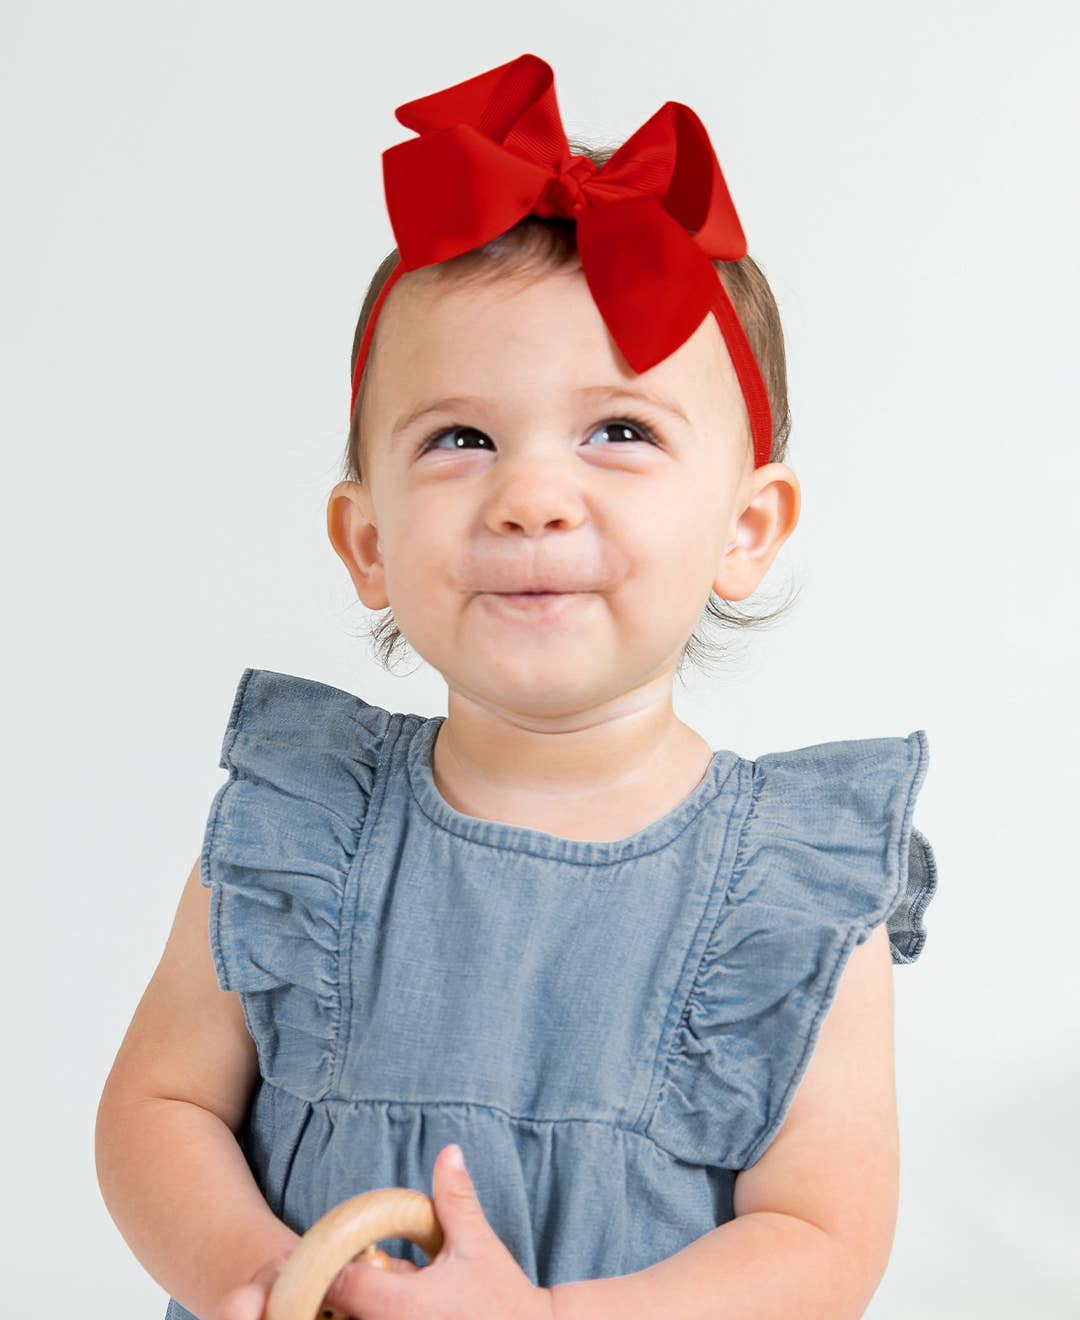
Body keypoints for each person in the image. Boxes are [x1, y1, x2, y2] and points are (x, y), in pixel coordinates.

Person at [95, 53, 939, 1320]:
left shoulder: (799, 889)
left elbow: (821, 1246)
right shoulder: (299, 828)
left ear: (747, 529)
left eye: (621, 432)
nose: (533, 496)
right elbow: (155, 1111)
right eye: (461, 439)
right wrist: (262, 1278)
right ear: (368, 541)